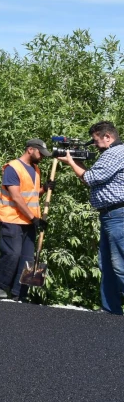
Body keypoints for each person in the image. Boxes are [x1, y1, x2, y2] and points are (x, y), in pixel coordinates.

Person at [57, 121, 124, 315]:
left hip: (117, 215)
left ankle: (111, 308)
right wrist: (76, 161)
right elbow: (91, 175)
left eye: (95, 141)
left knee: (120, 265)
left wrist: (70, 162)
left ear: (108, 137)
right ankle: (111, 309)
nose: (94, 145)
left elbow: (90, 179)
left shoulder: (115, 153)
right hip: (109, 215)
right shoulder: (112, 154)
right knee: (107, 266)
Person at [0, 139, 53, 301]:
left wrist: (44, 189)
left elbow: (31, 195)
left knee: (27, 259)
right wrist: (34, 218)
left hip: (29, 221)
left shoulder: (36, 169)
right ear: (30, 150)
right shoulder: (13, 168)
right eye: (40, 153)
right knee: (12, 254)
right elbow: (17, 197)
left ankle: (20, 293)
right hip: (12, 219)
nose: (42, 157)